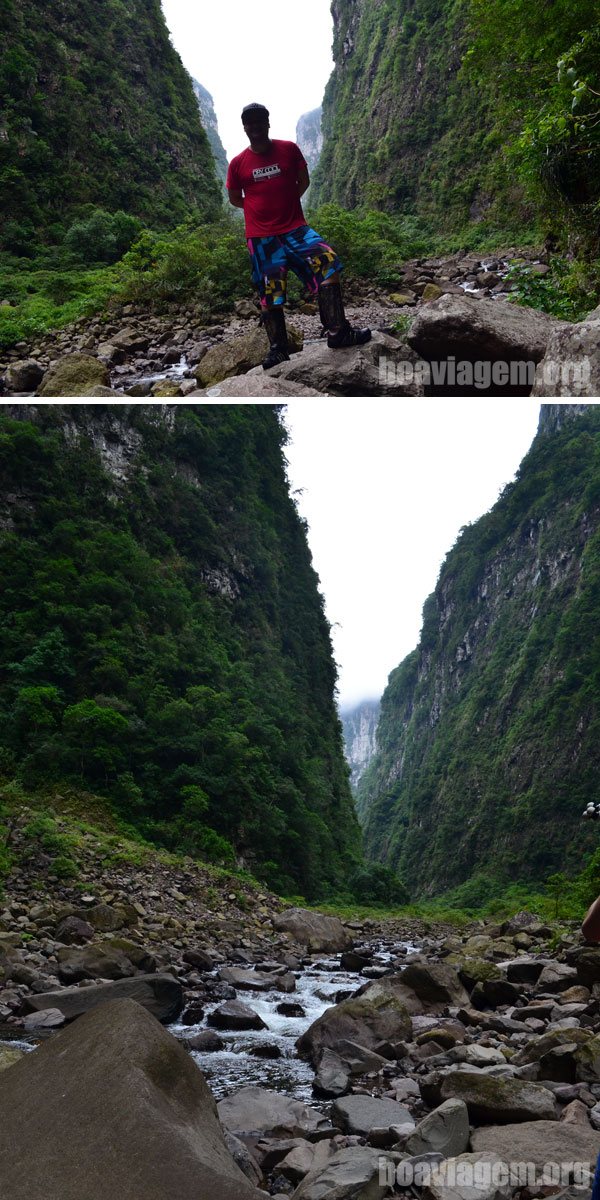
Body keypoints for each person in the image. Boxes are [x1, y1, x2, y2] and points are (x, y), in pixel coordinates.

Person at [226, 102, 371, 370]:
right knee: (270, 293)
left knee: (327, 262)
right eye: (250, 122)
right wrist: (261, 211)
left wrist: (286, 205)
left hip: (296, 229)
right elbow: (235, 198)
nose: (255, 126)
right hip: (262, 239)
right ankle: (279, 349)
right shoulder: (238, 164)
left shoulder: (288, 149)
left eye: (260, 121)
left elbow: (303, 180)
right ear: (244, 127)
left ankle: (338, 332)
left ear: (268, 123)